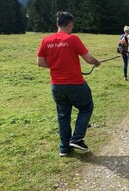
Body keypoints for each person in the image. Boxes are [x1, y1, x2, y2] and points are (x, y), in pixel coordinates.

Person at [37, 11, 101, 157]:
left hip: (56, 86)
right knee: (86, 107)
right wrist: (97, 62)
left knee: (63, 115)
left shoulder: (46, 40)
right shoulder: (73, 39)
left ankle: (64, 149)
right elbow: (89, 59)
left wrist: (56, 65)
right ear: (70, 24)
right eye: (72, 26)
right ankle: (77, 138)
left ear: (57, 24)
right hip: (75, 83)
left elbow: (40, 62)